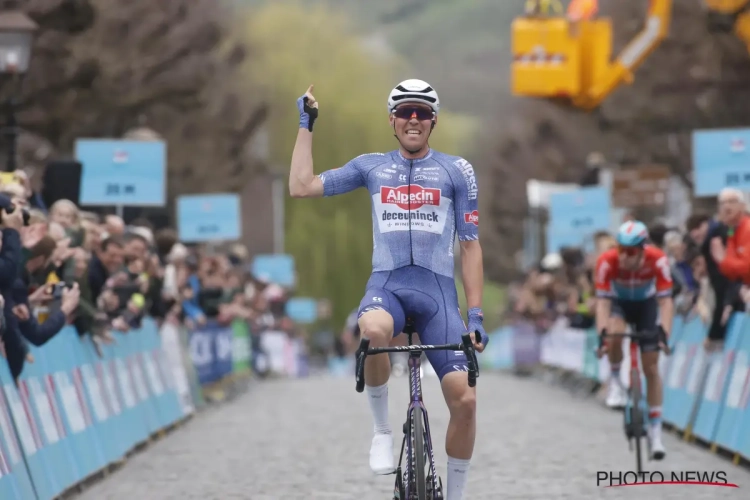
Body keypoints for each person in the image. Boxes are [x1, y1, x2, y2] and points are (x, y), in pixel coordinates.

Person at [289, 80, 486, 500]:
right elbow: (300, 186)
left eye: (421, 112)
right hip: (389, 285)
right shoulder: (371, 166)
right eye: (405, 112)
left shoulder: (457, 170)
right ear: (392, 121)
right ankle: (381, 431)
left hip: (438, 297)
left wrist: (476, 315)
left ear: (433, 120)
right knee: (373, 332)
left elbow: (470, 245)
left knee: (465, 403)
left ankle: (456, 494)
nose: (413, 119)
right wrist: (307, 125)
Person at [594, 220, 674, 460]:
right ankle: (616, 380)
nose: (624, 257)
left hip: (646, 306)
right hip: (619, 304)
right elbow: (603, 303)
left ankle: (656, 433)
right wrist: (602, 336)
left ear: (642, 249)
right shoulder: (606, 261)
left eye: (630, 252)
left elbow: (666, 301)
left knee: (651, 366)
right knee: (615, 332)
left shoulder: (658, 259)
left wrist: (664, 333)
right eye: (620, 249)